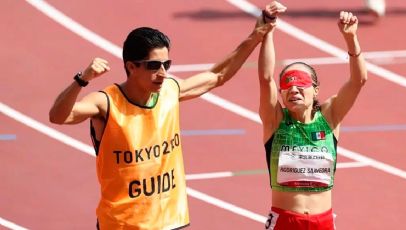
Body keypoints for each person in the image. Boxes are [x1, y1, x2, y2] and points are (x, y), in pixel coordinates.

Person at [48, 14, 275, 229]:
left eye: (167, 64)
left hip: (170, 219)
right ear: (131, 67)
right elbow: (58, 116)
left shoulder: (170, 90)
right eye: (154, 66)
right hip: (123, 225)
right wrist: (82, 79)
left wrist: (255, 36)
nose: (163, 73)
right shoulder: (106, 103)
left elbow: (218, 75)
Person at [258, 1, 367, 229]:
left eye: (301, 83)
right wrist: (267, 31)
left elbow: (359, 81)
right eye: (287, 84)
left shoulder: (330, 117)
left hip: (323, 222)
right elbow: (266, 78)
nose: (294, 89)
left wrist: (351, 38)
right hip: (284, 221)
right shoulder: (275, 121)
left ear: (315, 90)